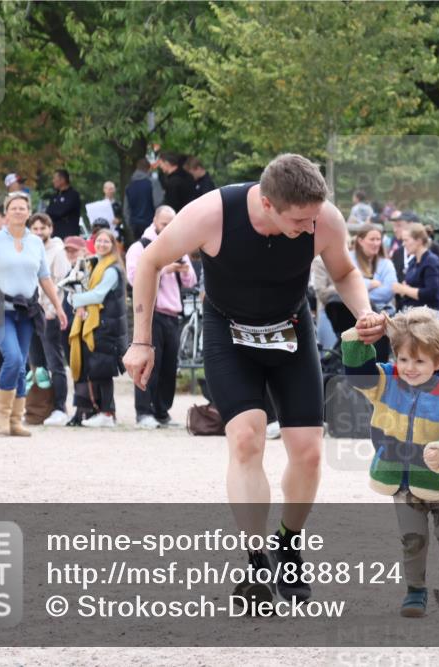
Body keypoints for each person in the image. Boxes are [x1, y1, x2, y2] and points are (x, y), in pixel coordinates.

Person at [122, 154, 386, 606]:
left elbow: (343, 271)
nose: (309, 228)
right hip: (229, 332)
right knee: (246, 439)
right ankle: (256, 560)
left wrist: (364, 313)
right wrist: (142, 341)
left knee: (308, 453)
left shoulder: (323, 219)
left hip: (290, 331)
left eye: (313, 218)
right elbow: (148, 262)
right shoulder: (210, 214)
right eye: (299, 220)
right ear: (267, 204)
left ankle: (288, 542)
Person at [340, 307, 439, 618]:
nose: (410, 368)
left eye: (419, 361)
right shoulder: (386, 381)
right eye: (403, 359)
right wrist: (358, 335)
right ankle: (415, 591)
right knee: (412, 539)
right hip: (399, 481)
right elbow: (357, 373)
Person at [0, 192, 68, 437]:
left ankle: (15, 420)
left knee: (22, 366)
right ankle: (1, 417)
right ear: (6, 212)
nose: (18, 211)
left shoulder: (35, 242)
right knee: (12, 358)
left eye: (23, 208)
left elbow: (45, 278)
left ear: (28, 211)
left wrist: (58, 306)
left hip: (27, 311)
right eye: (14, 207)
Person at [126, 205, 197, 429]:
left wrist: (183, 270)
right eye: (164, 224)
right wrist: (164, 268)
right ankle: (143, 412)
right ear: (155, 221)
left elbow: (191, 281)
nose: (168, 228)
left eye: (171, 224)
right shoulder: (140, 247)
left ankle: (162, 411)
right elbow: (134, 277)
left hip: (173, 313)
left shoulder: (178, 246)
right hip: (152, 313)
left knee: (168, 367)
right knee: (148, 366)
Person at [68, 229, 127, 427]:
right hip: (97, 324)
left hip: (106, 326)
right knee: (96, 370)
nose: (102, 244)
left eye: (106, 241)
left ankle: (108, 413)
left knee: (103, 371)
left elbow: (98, 295)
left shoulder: (111, 269)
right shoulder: (95, 264)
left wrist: (75, 300)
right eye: (99, 241)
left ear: (113, 245)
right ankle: (101, 411)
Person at [28, 213, 73, 426]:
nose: (38, 232)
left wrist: (53, 308)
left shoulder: (58, 251)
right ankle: (39, 406)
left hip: (49, 314)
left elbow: (61, 283)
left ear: (50, 229)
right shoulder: (28, 250)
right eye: (34, 228)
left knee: (54, 361)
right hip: (31, 313)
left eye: (42, 228)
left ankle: (59, 407)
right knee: (36, 365)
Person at [348, 223, 395, 361]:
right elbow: (346, 286)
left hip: (380, 317)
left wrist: (361, 288)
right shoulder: (349, 259)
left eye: (378, 239)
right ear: (360, 240)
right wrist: (370, 284)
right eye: (372, 239)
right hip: (352, 316)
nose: (376, 243)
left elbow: (389, 291)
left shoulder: (386, 264)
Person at [391, 223, 439, 311]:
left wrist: (404, 289)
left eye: (406, 240)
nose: (403, 244)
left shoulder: (431, 261)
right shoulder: (413, 261)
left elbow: (431, 293)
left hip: (427, 316)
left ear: (418, 241)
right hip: (411, 312)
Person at [124, 158, 158, 240]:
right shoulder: (152, 183)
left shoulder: (129, 186)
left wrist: (130, 224)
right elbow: (158, 203)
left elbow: (126, 209)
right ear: (149, 168)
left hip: (135, 225)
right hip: (151, 223)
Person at [45, 169, 82, 239]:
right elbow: (48, 212)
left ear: (62, 180)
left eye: (54, 178)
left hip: (69, 235)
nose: (53, 181)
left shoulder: (73, 195)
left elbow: (60, 212)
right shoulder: (55, 196)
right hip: (54, 234)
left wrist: (52, 212)